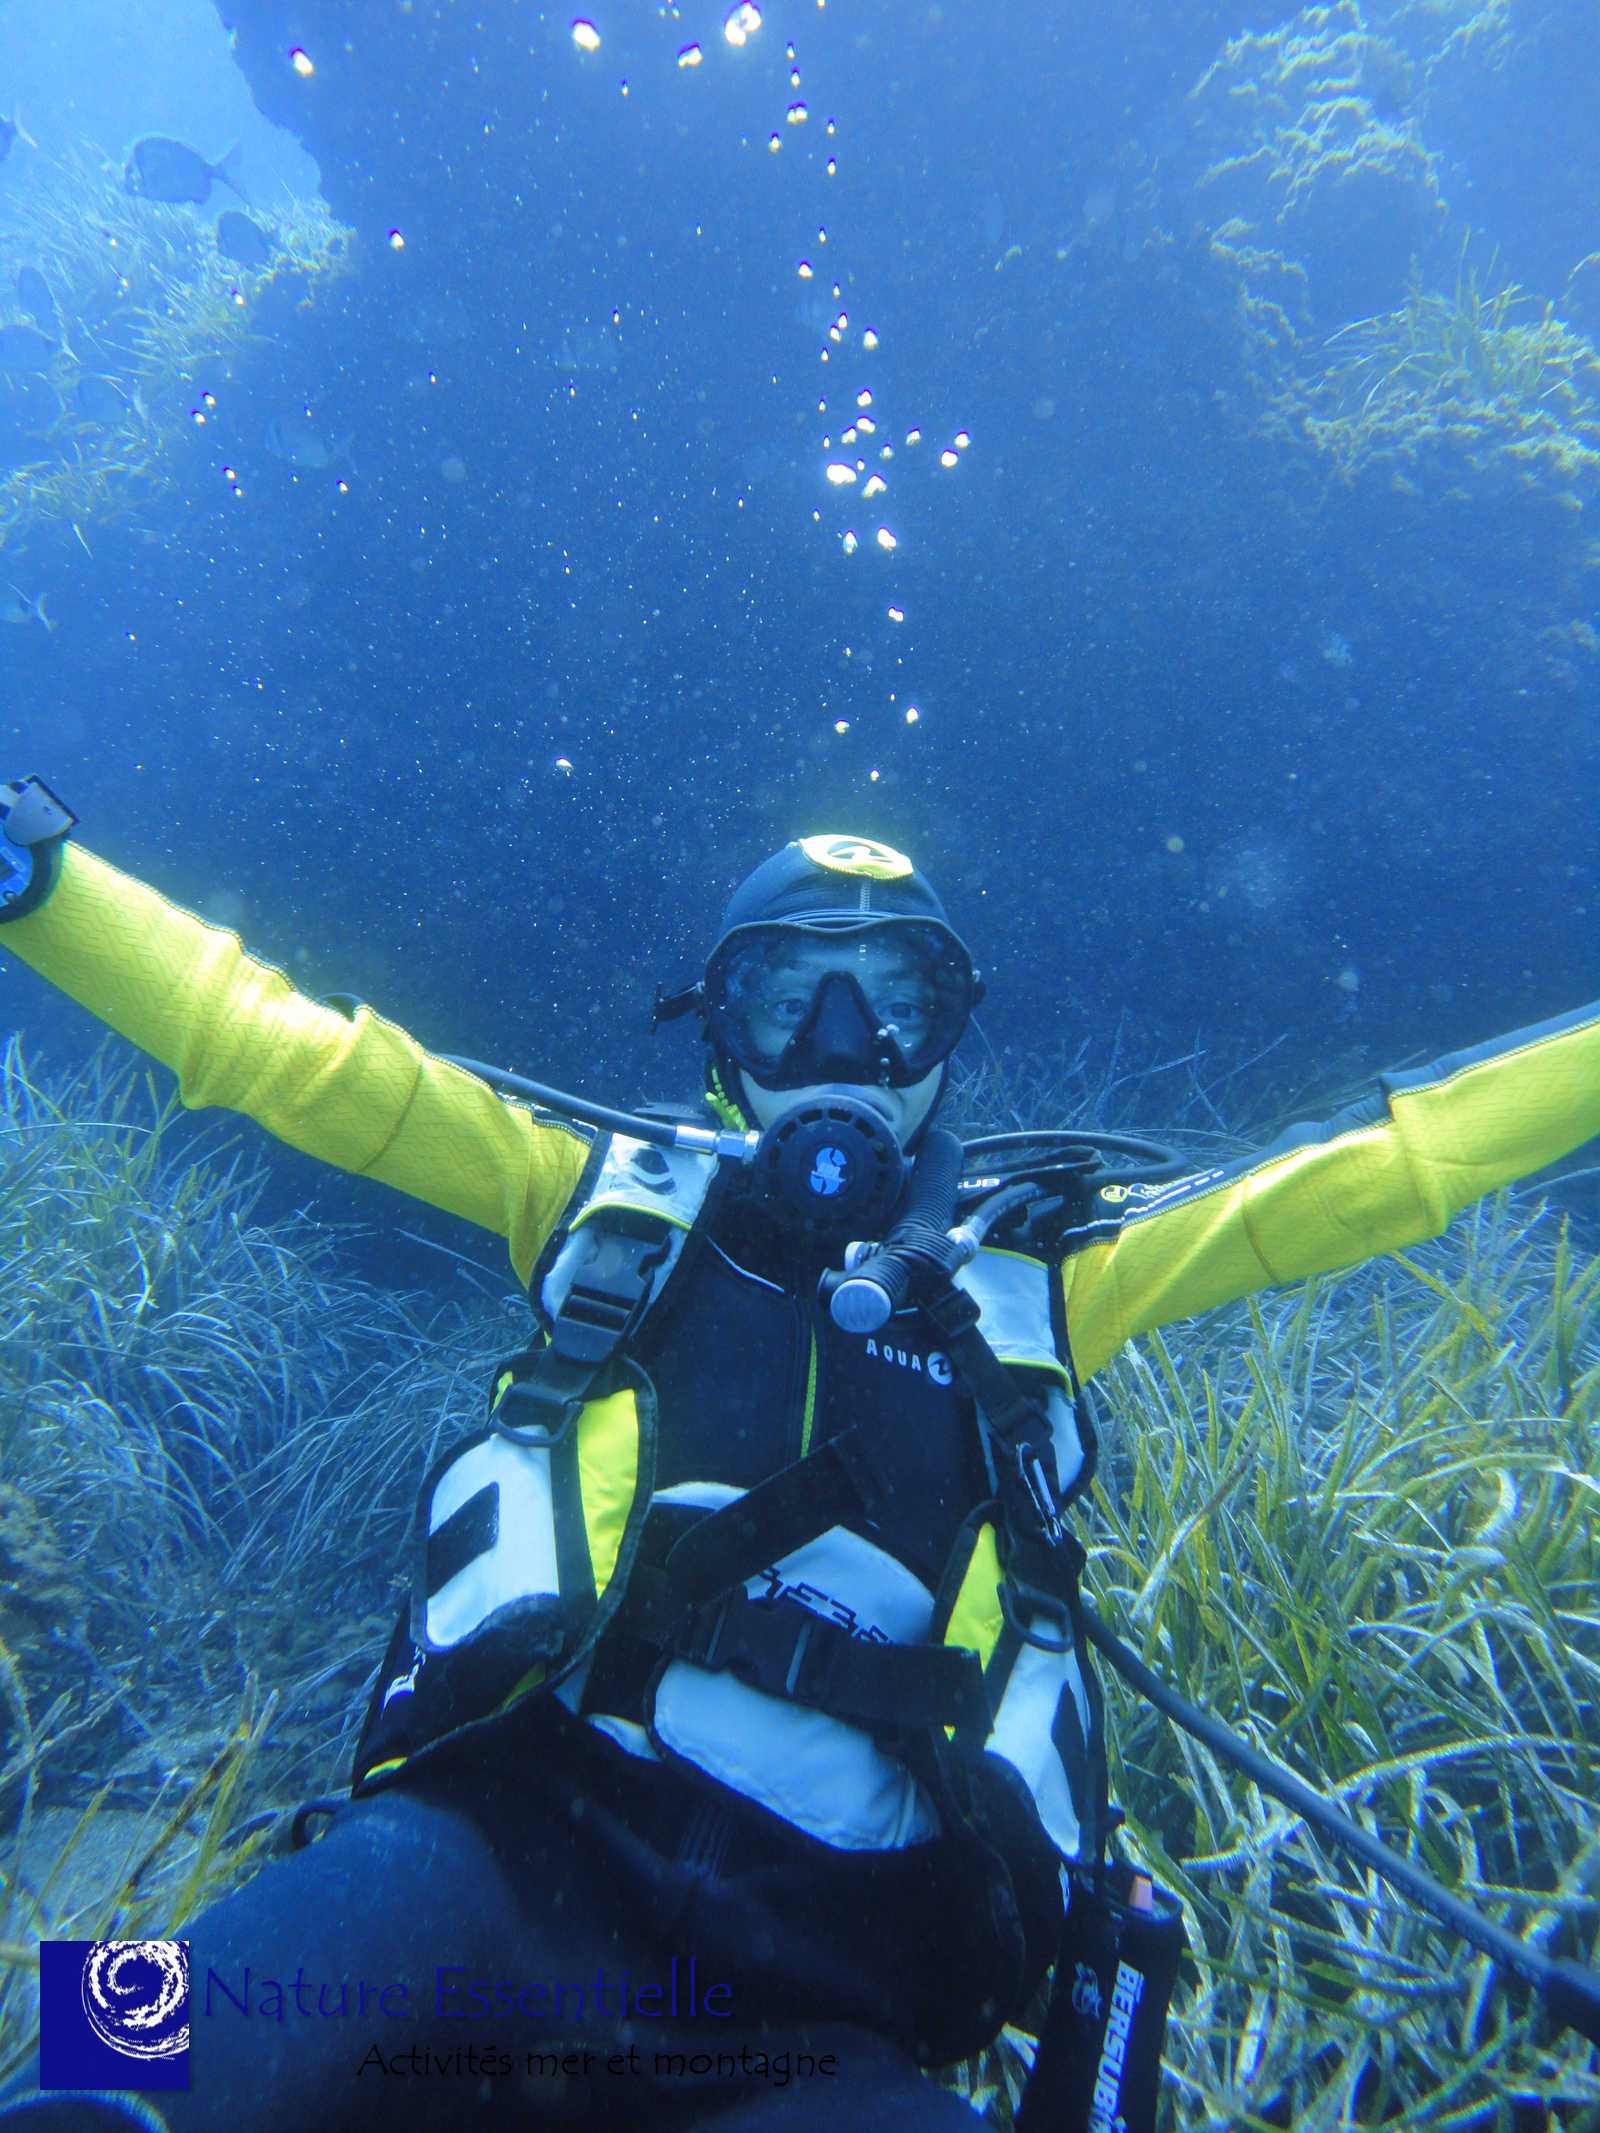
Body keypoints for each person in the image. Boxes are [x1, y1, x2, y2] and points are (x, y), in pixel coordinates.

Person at [1, 789, 1597, 2133]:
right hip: (480, 1858)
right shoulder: (597, 1206)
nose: (845, 1044)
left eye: (899, 999)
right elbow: (277, 1050)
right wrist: (41, 880)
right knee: (95, 2066)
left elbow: (1378, 1176)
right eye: (787, 998)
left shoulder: (1046, 1290)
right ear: (721, 1029)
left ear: (952, 1032)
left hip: (827, 2002)